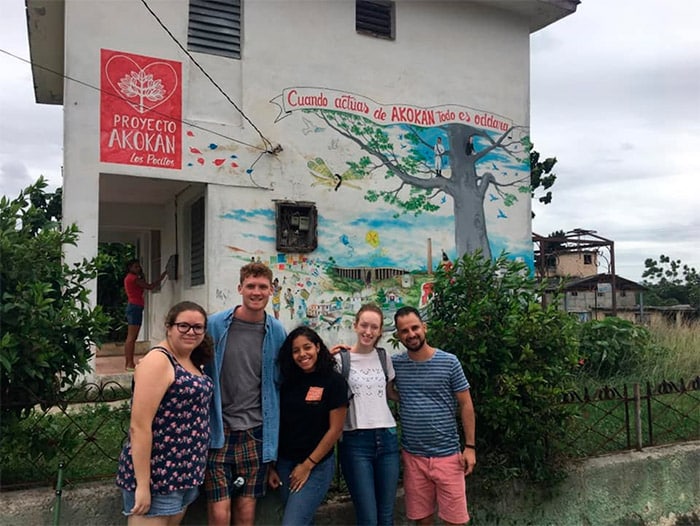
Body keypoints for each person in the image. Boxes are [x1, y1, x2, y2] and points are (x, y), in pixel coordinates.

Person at [116, 301, 214, 525]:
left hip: (185, 472)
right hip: (158, 475)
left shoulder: (191, 359)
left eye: (198, 327)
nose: (191, 331)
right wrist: (143, 484)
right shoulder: (158, 360)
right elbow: (139, 426)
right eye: (184, 326)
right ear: (169, 327)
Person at [204, 262, 287, 526]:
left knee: (247, 512)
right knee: (219, 512)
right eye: (250, 286)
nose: (256, 292)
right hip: (219, 428)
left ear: (271, 290)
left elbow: (285, 376)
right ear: (240, 288)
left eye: (263, 286)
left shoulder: (277, 331)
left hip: (257, 430)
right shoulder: (215, 325)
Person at [388, 306, 476, 526]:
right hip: (413, 457)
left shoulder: (449, 362)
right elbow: (388, 390)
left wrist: (470, 447)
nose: (411, 334)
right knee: (422, 519)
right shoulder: (396, 364)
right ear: (399, 336)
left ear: (424, 327)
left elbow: (466, 404)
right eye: (404, 331)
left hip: (448, 456)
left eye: (415, 327)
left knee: (455, 521)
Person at [268, 327, 348, 526]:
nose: (302, 354)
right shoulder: (287, 381)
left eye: (307, 348)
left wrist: (307, 465)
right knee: (303, 520)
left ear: (318, 347)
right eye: (296, 351)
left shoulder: (334, 381)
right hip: (285, 464)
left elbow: (335, 430)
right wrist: (271, 465)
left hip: (316, 465)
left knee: (292, 523)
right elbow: (276, 422)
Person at [333, 304, 400, 526]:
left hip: (387, 438)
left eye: (374, 327)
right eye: (364, 325)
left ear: (380, 331)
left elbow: (391, 393)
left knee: (386, 516)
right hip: (355, 441)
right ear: (355, 326)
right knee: (368, 518)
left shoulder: (384, 358)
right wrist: (325, 355)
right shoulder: (341, 360)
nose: (368, 332)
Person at [123, 259, 167, 371]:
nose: (138, 268)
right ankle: (129, 364)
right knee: (131, 337)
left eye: (139, 267)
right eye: (136, 267)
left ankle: (129, 363)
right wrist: (162, 277)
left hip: (134, 306)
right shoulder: (133, 279)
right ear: (130, 268)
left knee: (132, 337)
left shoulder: (130, 278)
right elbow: (150, 286)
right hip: (135, 307)